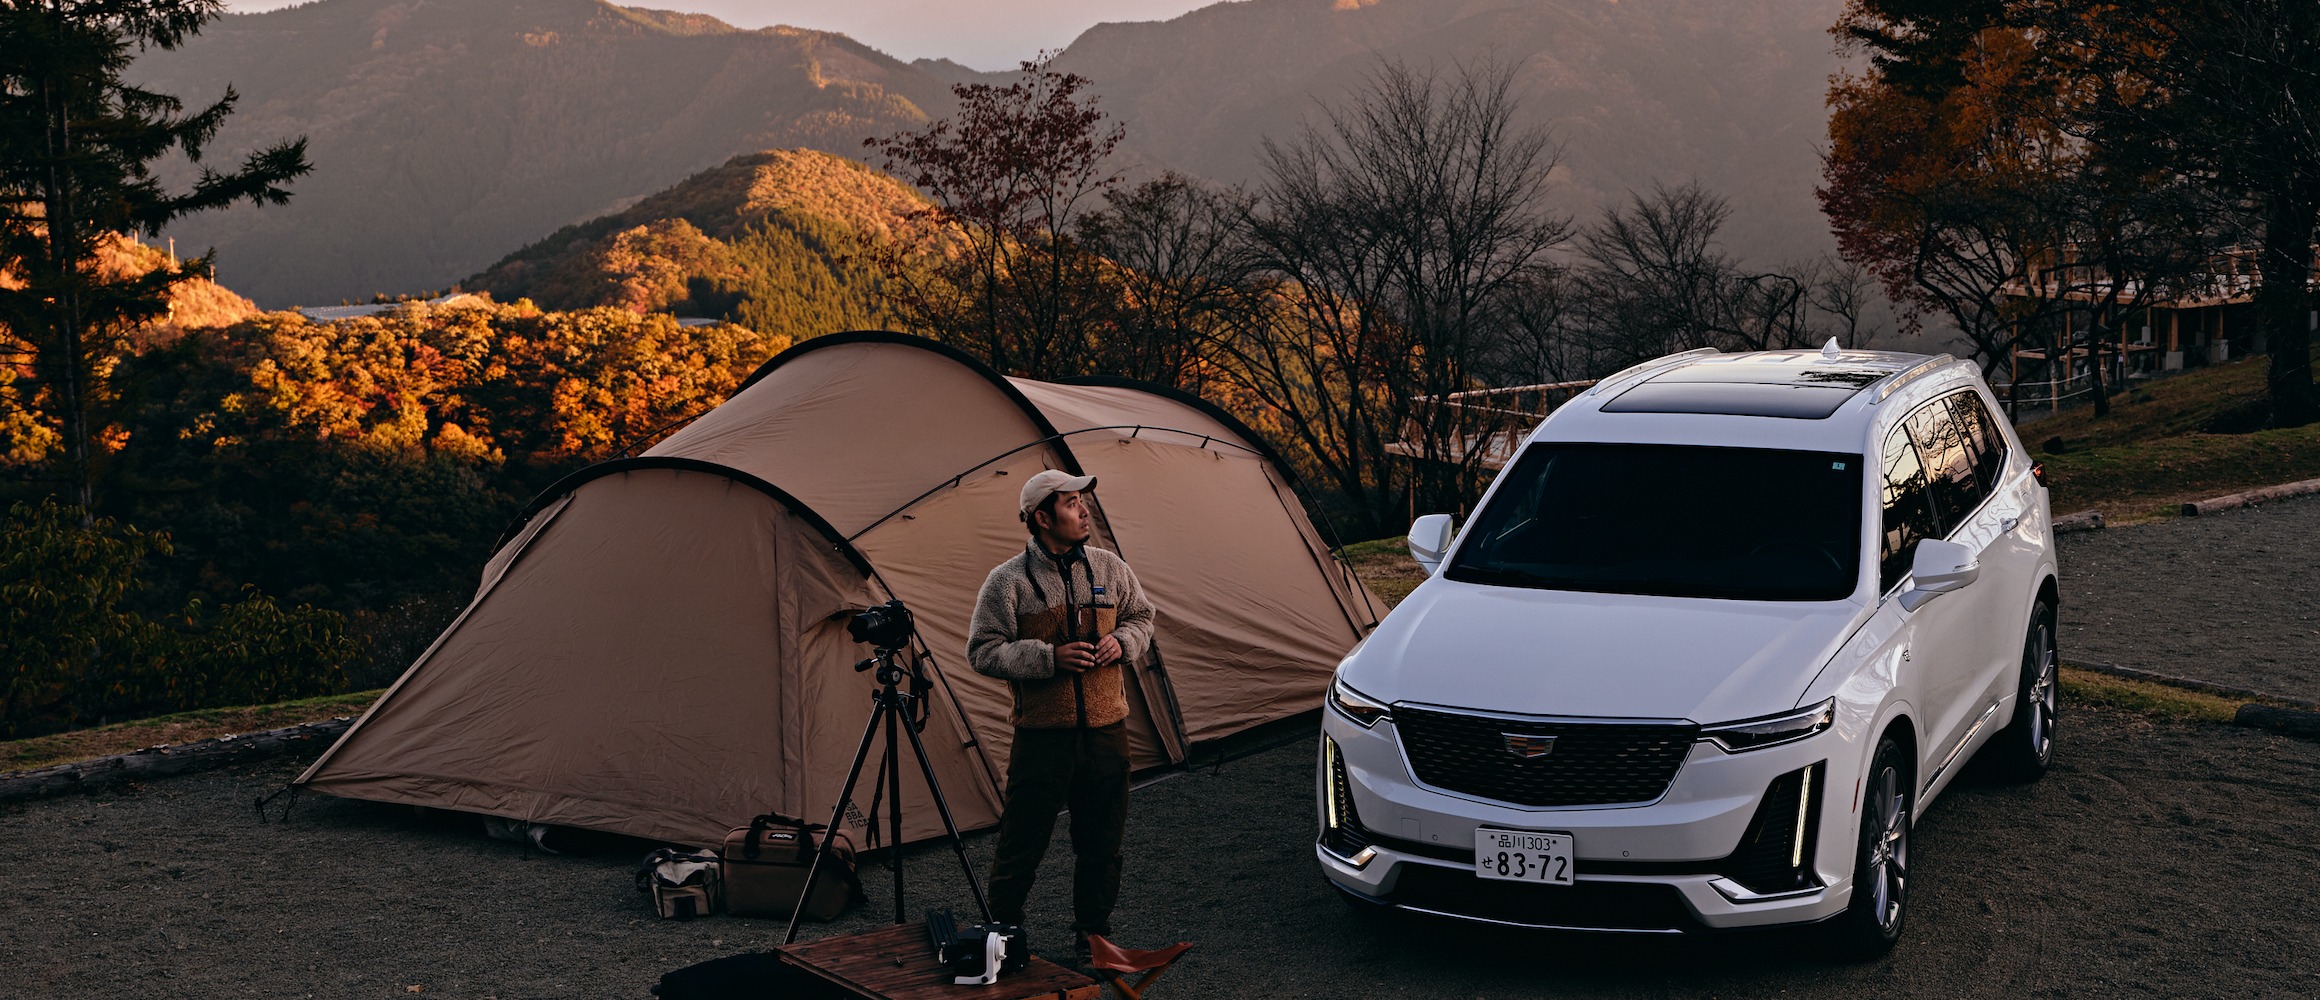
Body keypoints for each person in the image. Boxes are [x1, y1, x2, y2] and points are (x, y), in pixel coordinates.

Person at [967, 469, 1156, 964]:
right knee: (1021, 843)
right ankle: (1001, 938)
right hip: (1042, 740)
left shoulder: (1110, 568)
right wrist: (1048, 659)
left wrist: (1124, 641)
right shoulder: (1007, 582)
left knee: (1102, 844)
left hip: (1107, 733)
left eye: (1082, 501)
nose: (1084, 510)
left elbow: (1143, 618)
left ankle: (1093, 939)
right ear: (1042, 518)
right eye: (1072, 503)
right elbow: (982, 651)